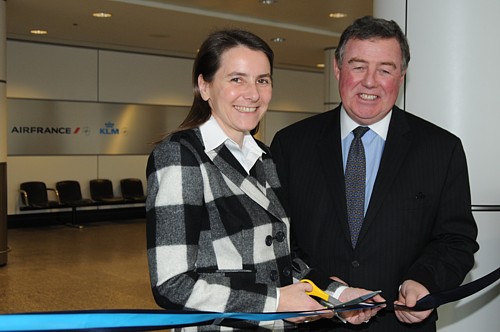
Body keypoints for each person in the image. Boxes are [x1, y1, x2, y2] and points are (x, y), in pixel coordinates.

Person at [146, 29, 384, 331]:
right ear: (204, 86)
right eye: (236, 79)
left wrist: (339, 295)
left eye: (262, 80)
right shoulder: (180, 156)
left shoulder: (264, 158)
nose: (253, 93)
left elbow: (285, 260)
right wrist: (275, 303)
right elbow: (172, 285)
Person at [270, 16, 479, 332]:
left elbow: (456, 239)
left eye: (385, 69)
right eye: (358, 66)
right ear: (338, 70)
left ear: (402, 76)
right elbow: (277, 238)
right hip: (316, 322)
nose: (370, 81)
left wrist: (424, 281)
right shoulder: (291, 144)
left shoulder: (441, 149)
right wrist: (323, 285)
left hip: (400, 325)